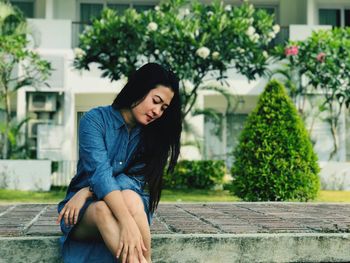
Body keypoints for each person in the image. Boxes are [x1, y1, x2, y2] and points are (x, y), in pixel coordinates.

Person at [56, 62, 182, 263]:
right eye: (156, 101)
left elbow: (134, 181)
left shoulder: (153, 136)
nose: (158, 111)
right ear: (139, 89)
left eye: (163, 107)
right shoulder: (94, 120)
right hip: (84, 212)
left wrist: (88, 190)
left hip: (131, 206)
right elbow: (100, 173)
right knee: (101, 210)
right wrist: (126, 223)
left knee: (131, 197)